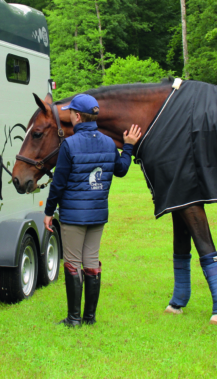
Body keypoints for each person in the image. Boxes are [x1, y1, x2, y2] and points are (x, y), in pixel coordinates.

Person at [44, 93, 141, 326]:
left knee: (72, 263)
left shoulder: (69, 145)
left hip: (73, 216)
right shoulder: (108, 143)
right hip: (98, 214)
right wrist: (128, 147)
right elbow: (121, 169)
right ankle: (89, 318)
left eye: (70, 113)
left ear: (77, 116)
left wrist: (48, 211)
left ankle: (73, 319)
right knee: (91, 262)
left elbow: (58, 184)